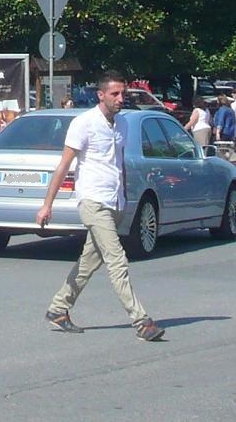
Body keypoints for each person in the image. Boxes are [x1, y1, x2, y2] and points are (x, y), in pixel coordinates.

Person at [36, 70, 164, 341]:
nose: (120, 99)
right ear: (101, 95)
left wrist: (125, 197)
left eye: (123, 94)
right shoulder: (84, 123)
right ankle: (141, 321)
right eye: (115, 94)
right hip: (93, 201)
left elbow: (118, 165)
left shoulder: (123, 124)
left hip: (114, 201)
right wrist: (47, 205)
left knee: (89, 261)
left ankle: (59, 309)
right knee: (117, 259)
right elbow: (63, 166)